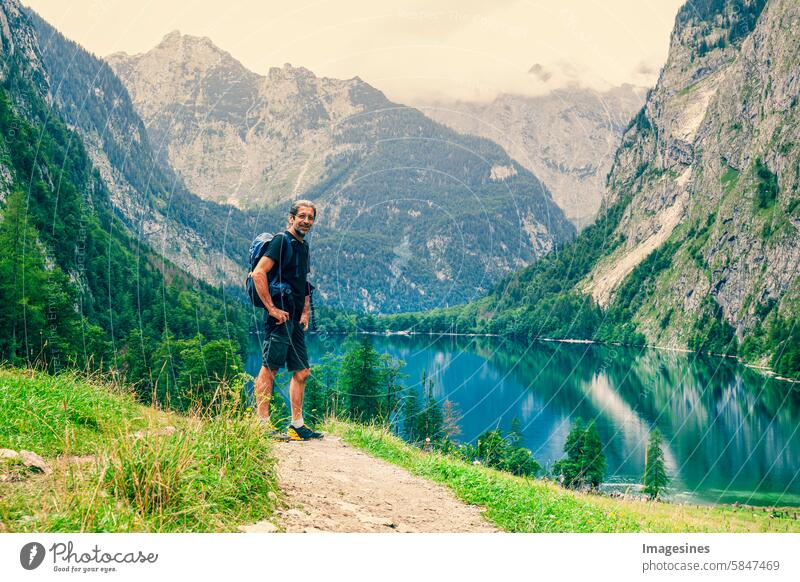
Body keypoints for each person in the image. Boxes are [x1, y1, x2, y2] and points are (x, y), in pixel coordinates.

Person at [250, 200, 322, 441]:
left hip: (294, 321)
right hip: (279, 319)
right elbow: (259, 272)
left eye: (310, 218)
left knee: (302, 372)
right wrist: (271, 308)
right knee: (269, 369)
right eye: (302, 216)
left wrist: (305, 311)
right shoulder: (281, 242)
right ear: (291, 218)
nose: (306, 221)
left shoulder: (303, 246)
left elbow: (303, 283)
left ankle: (297, 425)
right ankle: (262, 425)